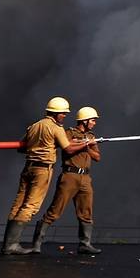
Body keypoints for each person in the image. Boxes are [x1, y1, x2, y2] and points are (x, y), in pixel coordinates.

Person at [1, 97, 94, 255]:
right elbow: (68, 149)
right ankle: (12, 245)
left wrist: (38, 147)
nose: (64, 116)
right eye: (63, 114)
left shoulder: (35, 126)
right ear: (56, 114)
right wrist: (86, 143)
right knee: (30, 206)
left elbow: (21, 147)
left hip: (28, 167)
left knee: (18, 204)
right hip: (42, 170)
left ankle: (7, 244)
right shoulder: (56, 128)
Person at [29, 106, 102, 255]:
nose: (94, 123)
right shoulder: (68, 133)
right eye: (93, 120)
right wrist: (82, 143)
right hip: (70, 176)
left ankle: (85, 243)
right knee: (55, 210)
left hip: (85, 178)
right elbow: (67, 148)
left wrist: (87, 145)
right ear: (85, 120)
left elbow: (97, 157)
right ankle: (37, 243)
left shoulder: (91, 136)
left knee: (86, 212)